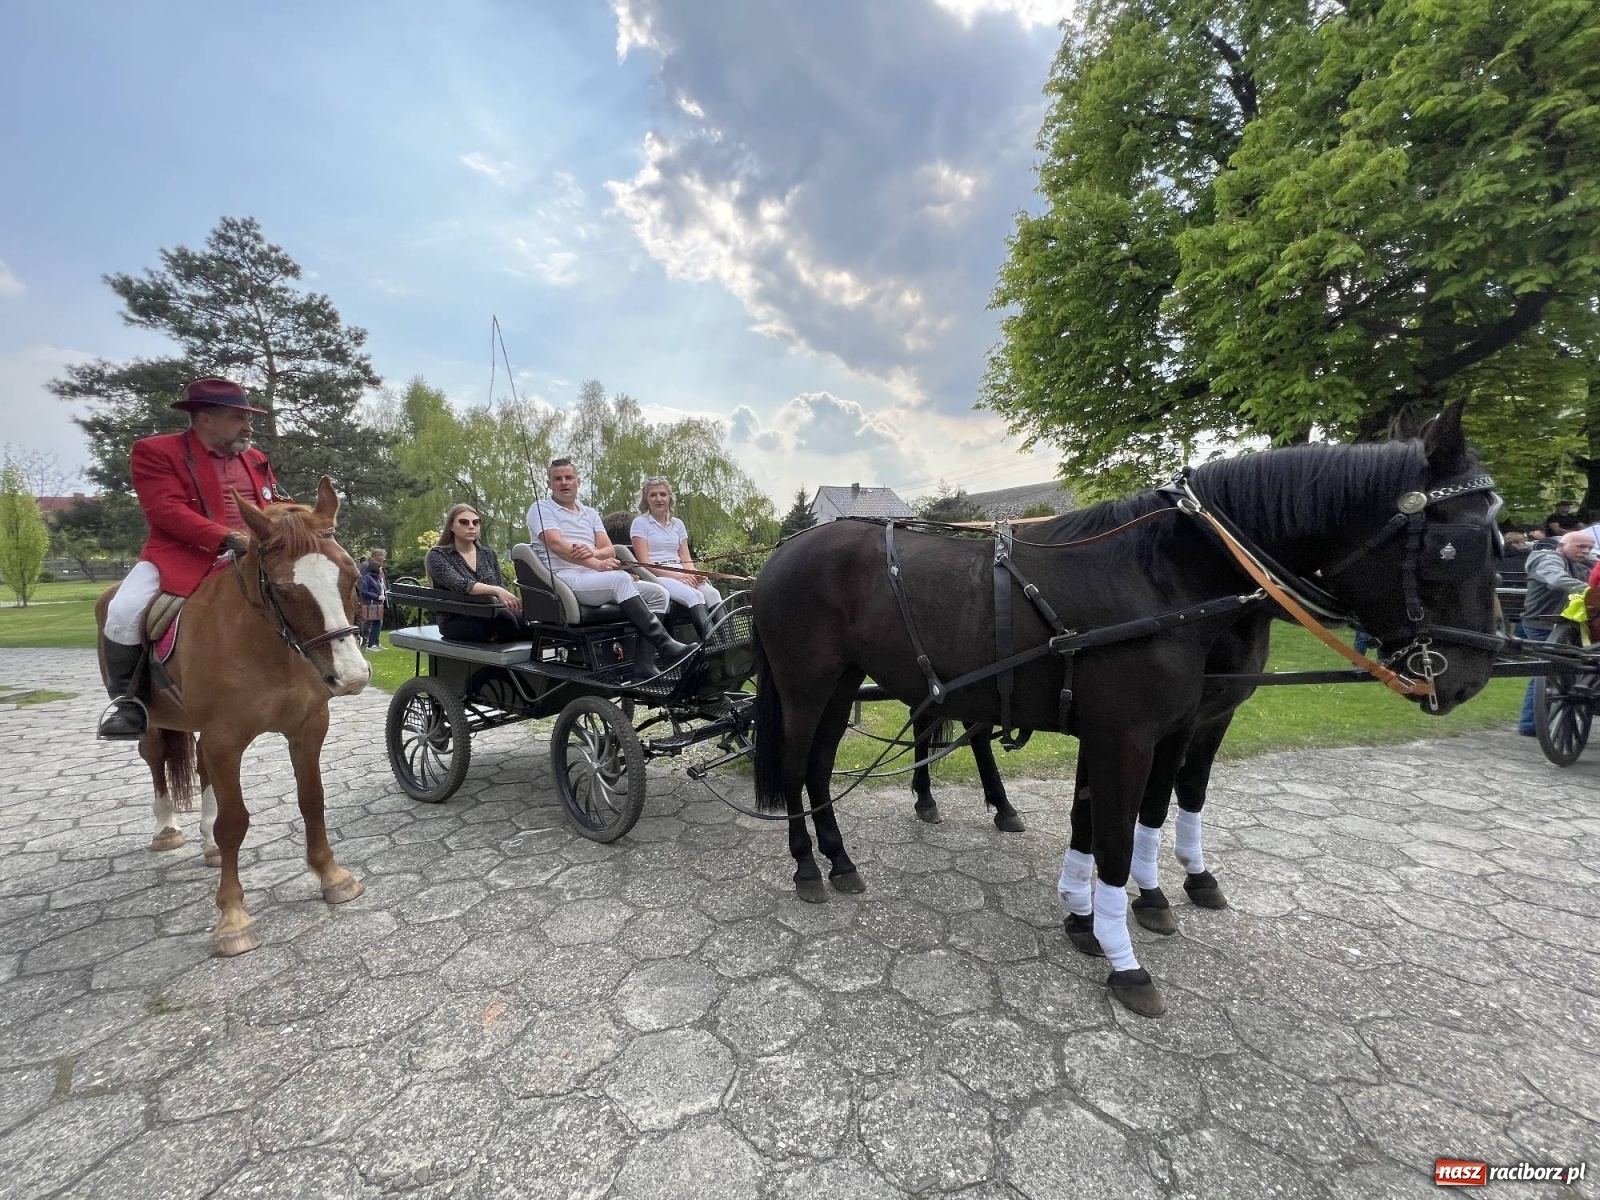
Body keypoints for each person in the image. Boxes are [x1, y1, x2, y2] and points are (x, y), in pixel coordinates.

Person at [98, 377, 285, 739]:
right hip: (181, 555)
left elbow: (273, 507)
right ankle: (129, 704)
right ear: (204, 418)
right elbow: (166, 511)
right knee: (124, 610)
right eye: (238, 417)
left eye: (249, 418)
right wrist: (227, 538)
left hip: (254, 555)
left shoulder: (256, 457)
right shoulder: (154, 451)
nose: (248, 426)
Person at [527, 459, 692, 666]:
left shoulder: (590, 513)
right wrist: (596, 564)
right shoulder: (540, 509)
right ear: (549, 483)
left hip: (595, 579)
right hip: (565, 579)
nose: (564, 482)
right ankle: (666, 645)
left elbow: (609, 550)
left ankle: (644, 665)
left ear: (578, 481)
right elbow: (557, 545)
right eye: (557, 479)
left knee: (659, 594)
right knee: (620, 580)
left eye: (569, 478)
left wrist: (594, 553)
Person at [1517, 529, 1597, 736]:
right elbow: (1556, 579)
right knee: (1545, 672)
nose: (1585, 551)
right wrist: (1592, 593)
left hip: (1564, 625)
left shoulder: (1579, 564)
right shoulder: (1547, 558)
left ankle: (1533, 722)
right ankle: (1530, 724)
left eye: (1588, 547)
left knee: (1552, 673)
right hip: (1542, 624)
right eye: (1580, 546)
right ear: (1562, 545)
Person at [630, 476, 720, 641]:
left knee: (712, 593)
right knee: (695, 596)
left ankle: (731, 642)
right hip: (658, 575)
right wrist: (679, 576)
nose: (659, 499)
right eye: (653, 495)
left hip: (681, 570)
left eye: (663, 494)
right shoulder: (640, 523)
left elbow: (686, 558)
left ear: (669, 497)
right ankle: (710, 644)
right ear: (646, 499)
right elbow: (644, 563)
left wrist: (694, 574)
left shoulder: (678, 524)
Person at [425, 505, 526, 642]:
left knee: (536, 623)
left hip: (492, 610)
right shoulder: (438, 555)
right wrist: (496, 590)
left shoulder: (488, 554)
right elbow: (460, 584)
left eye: (475, 522)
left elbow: (498, 585)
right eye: (464, 522)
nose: (471, 526)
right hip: (457, 619)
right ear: (451, 526)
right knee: (505, 619)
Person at [357, 549, 388, 650]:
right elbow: (361, 583)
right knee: (368, 621)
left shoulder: (379, 567)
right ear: (376, 555)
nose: (384, 558)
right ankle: (366, 643)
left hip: (380, 599)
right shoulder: (366, 566)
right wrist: (370, 596)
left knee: (378, 621)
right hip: (369, 599)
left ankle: (375, 642)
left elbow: (382, 581)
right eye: (382, 556)